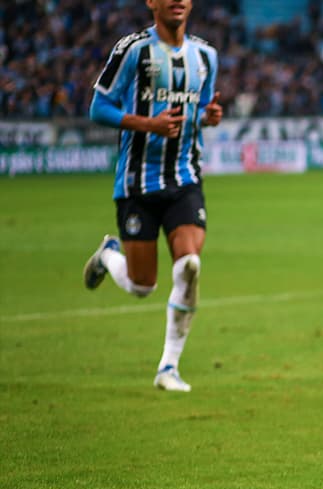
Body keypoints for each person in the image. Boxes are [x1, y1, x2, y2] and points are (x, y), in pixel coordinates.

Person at [82, 0, 222, 392]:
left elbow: (204, 108)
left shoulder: (205, 56)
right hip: (137, 184)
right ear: (152, 3)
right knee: (143, 285)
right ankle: (109, 254)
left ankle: (168, 368)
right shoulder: (132, 50)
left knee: (190, 265)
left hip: (184, 180)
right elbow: (99, 108)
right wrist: (149, 124)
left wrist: (210, 116)